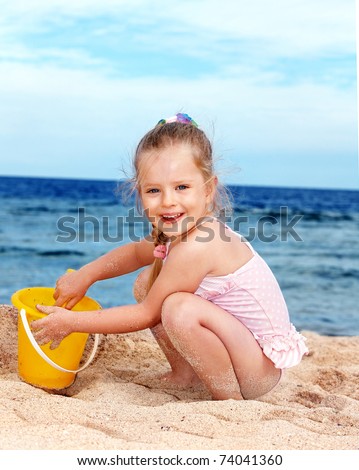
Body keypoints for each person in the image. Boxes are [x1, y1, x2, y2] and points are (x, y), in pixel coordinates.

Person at [32, 113, 308, 400]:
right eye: (154, 190)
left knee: (179, 308)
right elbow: (134, 253)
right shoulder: (178, 232)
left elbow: (145, 314)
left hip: (257, 372)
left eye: (182, 187)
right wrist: (86, 274)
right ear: (140, 195)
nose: (167, 201)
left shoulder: (200, 243)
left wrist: (72, 322)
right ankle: (185, 374)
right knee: (147, 280)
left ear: (208, 190)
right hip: (241, 351)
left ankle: (228, 398)